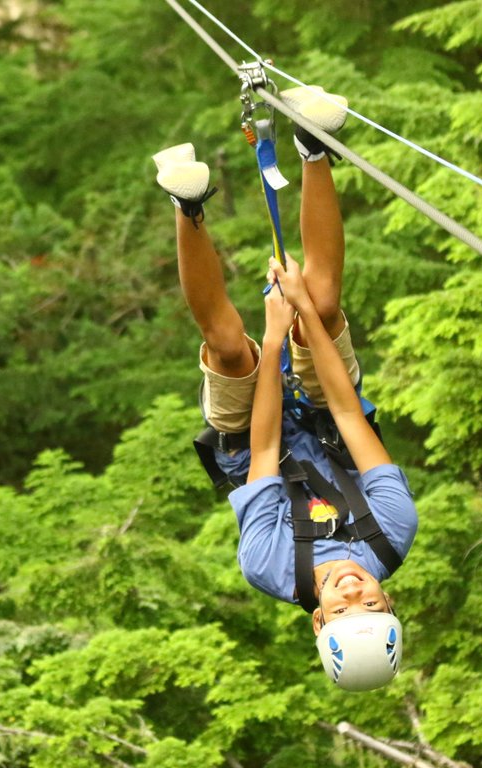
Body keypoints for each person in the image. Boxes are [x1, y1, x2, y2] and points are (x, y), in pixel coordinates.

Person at [152, 88, 418, 691]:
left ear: (319, 618)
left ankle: (186, 204)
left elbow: (265, 451)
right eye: (372, 605)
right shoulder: (394, 531)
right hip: (331, 421)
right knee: (321, 308)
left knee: (227, 347)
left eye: (345, 609)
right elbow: (351, 416)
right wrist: (297, 310)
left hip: (252, 441)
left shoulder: (270, 567)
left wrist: (270, 342)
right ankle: (314, 148)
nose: (355, 591)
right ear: (389, 603)